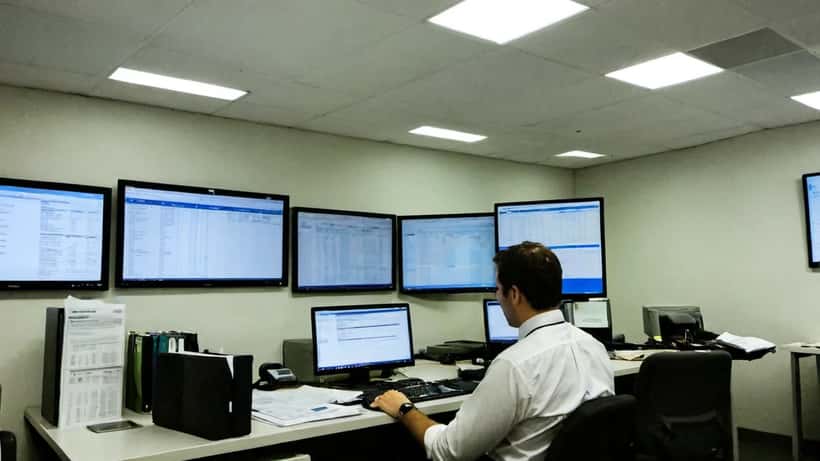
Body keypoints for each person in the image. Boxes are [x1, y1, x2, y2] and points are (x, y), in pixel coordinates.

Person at [370, 241, 614, 461]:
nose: (497, 297)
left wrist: (404, 408)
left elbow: (447, 451)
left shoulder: (515, 365)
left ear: (515, 294)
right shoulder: (594, 346)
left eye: (497, 289)